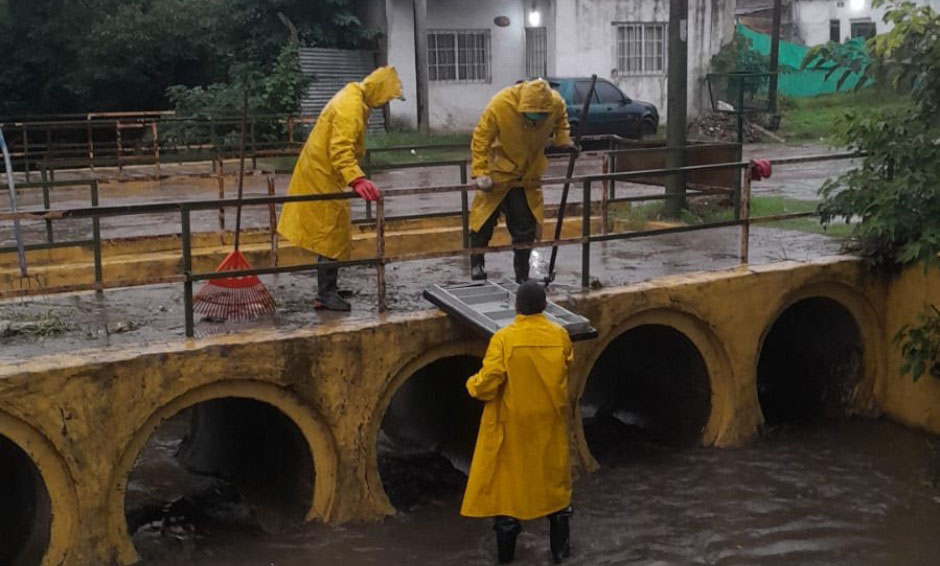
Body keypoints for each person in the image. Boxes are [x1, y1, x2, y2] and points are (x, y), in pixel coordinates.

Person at [461, 281, 575, 564]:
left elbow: (489, 382)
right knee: (555, 491)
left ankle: (506, 559)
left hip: (515, 426)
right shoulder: (560, 335)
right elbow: (567, 364)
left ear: (516, 307)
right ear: (545, 307)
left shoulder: (504, 338)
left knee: (508, 496)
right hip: (549, 423)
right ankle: (561, 555)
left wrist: (471, 384)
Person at [277, 66, 403, 311]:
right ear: (377, 92)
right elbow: (340, 149)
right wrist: (357, 179)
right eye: (386, 98)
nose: (385, 103)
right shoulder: (351, 106)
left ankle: (328, 288)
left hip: (325, 171)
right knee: (329, 234)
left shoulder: (355, 97)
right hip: (322, 173)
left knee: (333, 233)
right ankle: (325, 294)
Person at [468, 79, 578, 283]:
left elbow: (561, 121)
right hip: (499, 171)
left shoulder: (555, 103)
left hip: (527, 174)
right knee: (483, 220)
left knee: (524, 226)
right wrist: (481, 172)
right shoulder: (500, 105)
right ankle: (477, 262)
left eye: (541, 116)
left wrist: (563, 141)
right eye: (532, 115)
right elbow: (481, 138)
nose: (536, 121)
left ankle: (522, 274)